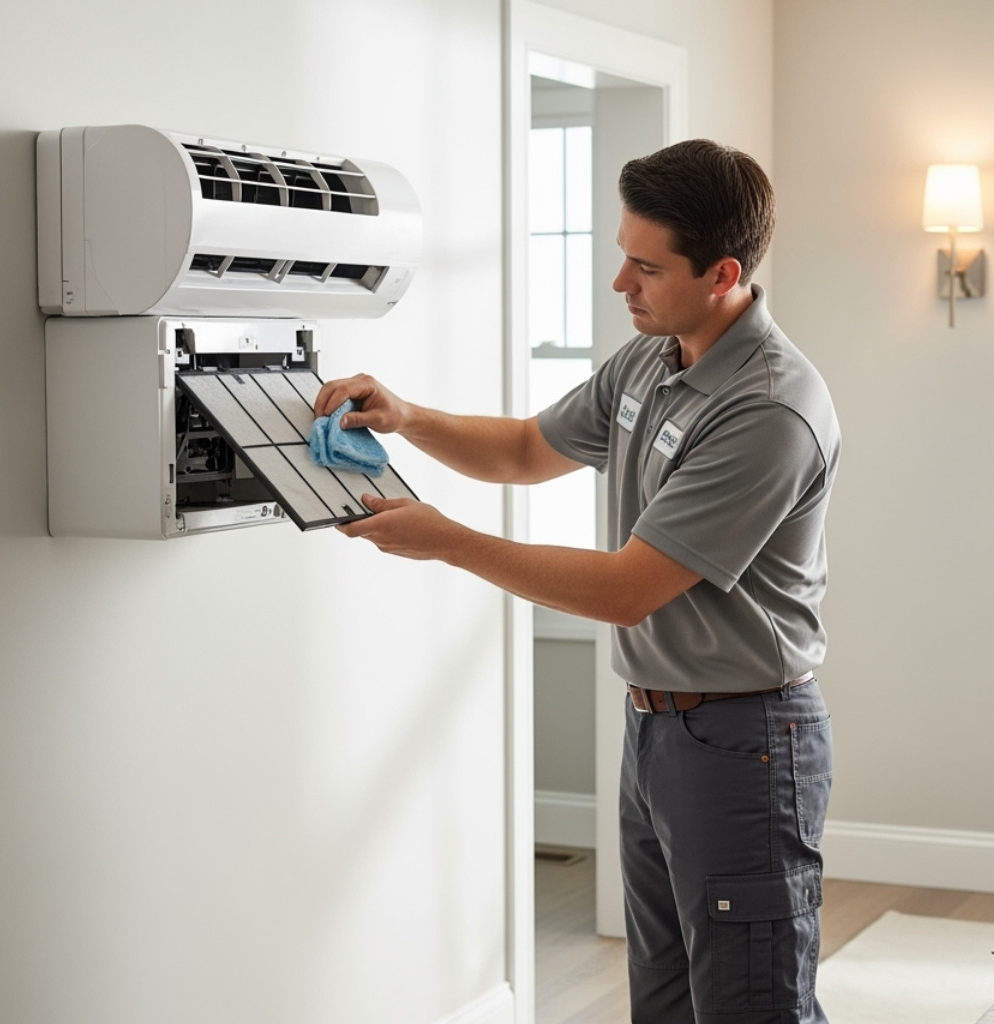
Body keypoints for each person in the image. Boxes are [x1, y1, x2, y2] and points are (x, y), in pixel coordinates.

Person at [315, 139, 840, 1024]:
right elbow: (525, 449)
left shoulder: (769, 410)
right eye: (620, 253)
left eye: (645, 265)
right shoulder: (651, 357)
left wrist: (447, 542)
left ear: (723, 273)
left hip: (748, 745)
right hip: (657, 735)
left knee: (754, 1008)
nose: (619, 284)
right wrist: (407, 418)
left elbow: (625, 589)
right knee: (665, 1001)